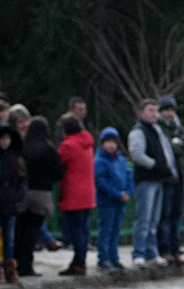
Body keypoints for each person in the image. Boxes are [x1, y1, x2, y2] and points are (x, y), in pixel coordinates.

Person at [128, 98, 177, 268]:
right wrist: (155, 165)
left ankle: (152, 251)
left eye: (155, 110)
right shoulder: (138, 131)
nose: (154, 114)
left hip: (158, 180)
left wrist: (168, 169)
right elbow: (136, 153)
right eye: (150, 110)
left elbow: (166, 151)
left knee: (154, 220)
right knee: (144, 219)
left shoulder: (157, 130)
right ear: (141, 113)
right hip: (146, 180)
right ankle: (139, 253)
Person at [15, 117, 64, 277]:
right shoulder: (49, 149)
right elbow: (58, 173)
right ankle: (27, 266)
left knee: (20, 229)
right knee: (32, 230)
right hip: (42, 193)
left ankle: (16, 263)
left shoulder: (23, 147)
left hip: (23, 192)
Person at [156, 94, 184, 265]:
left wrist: (179, 142)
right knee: (164, 215)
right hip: (166, 179)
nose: (169, 113)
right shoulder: (158, 128)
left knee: (177, 215)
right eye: (166, 110)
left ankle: (175, 249)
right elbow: (167, 149)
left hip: (180, 177)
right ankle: (164, 249)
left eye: (171, 110)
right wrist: (179, 146)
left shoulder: (178, 127)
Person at [0, 123, 26, 283]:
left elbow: (22, 180)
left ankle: (9, 268)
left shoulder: (15, 158)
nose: (4, 142)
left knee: (9, 237)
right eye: (2, 139)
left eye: (7, 139)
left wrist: (17, 195)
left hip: (10, 203)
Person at [56, 114, 96, 276]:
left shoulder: (67, 145)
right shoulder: (87, 142)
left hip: (73, 192)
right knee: (83, 230)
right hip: (87, 193)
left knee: (75, 231)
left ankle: (78, 263)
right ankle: (80, 261)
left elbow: (58, 164)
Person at [94, 127, 134, 271]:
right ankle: (104, 258)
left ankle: (114, 258)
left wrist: (128, 192)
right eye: (108, 142)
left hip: (120, 200)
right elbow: (100, 181)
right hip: (107, 201)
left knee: (116, 229)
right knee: (106, 229)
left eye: (113, 142)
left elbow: (129, 176)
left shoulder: (121, 160)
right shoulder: (100, 161)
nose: (111, 145)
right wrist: (117, 193)